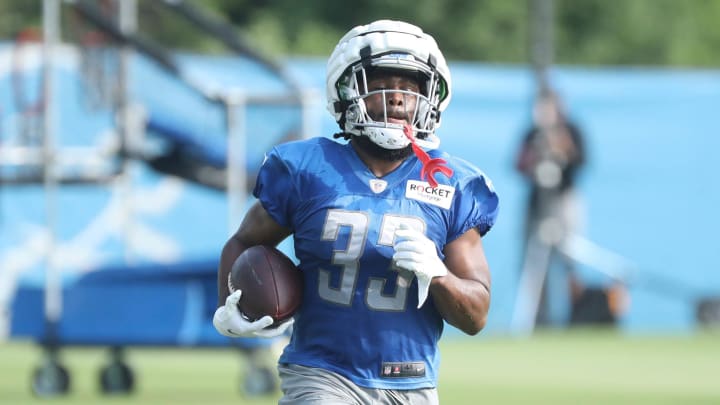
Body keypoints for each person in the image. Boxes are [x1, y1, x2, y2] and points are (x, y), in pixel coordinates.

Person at [212, 19, 499, 404]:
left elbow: (476, 315)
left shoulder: (452, 184)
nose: (399, 98)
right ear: (347, 92)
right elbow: (244, 241)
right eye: (384, 84)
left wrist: (440, 275)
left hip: (412, 383)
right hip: (321, 373)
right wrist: (227, 305)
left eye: (411, 87)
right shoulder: (307, 169)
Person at [514, 87, 587, 326]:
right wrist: (537, 153)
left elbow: (581, 160)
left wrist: (559, 147)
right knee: (535, 264)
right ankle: (540, 320)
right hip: (537, 204)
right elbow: (518, 164)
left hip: (563, 201)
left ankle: (577, 315)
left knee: (569, 260)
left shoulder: (571, 130)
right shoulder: (532, 133)